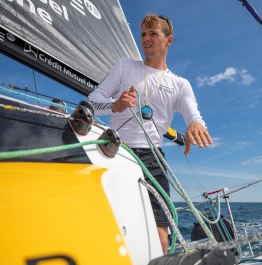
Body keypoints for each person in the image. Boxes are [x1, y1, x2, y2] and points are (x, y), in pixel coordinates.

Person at [87, 14, 212, 254]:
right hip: (115, 149)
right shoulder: (125, 66)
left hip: (153, 159)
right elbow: (92, 101)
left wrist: (195, 124)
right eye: (143, 34)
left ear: (168, 40)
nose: (146, 39)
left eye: (153, 34)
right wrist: (115, 105)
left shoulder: (180, 84)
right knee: (106, 223)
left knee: (160, 235)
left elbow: (193, 114)